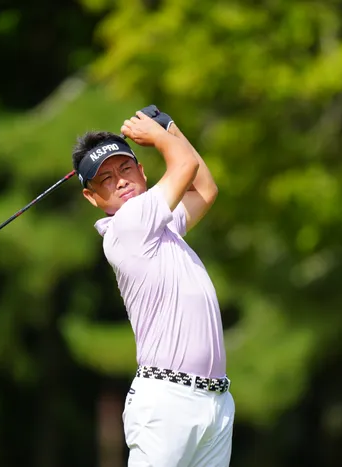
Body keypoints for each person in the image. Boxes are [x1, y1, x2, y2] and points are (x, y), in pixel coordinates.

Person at [71, 106, 234, 467]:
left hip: (215, 402)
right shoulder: (129, 224)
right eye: (105, 179)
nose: (120, 181)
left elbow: (205, 189)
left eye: (125, 168)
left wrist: (168, 126)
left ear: (142, 172)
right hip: (168, 403)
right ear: (92, 197)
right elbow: (185, 166)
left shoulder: (162, 226)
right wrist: (161, 134)